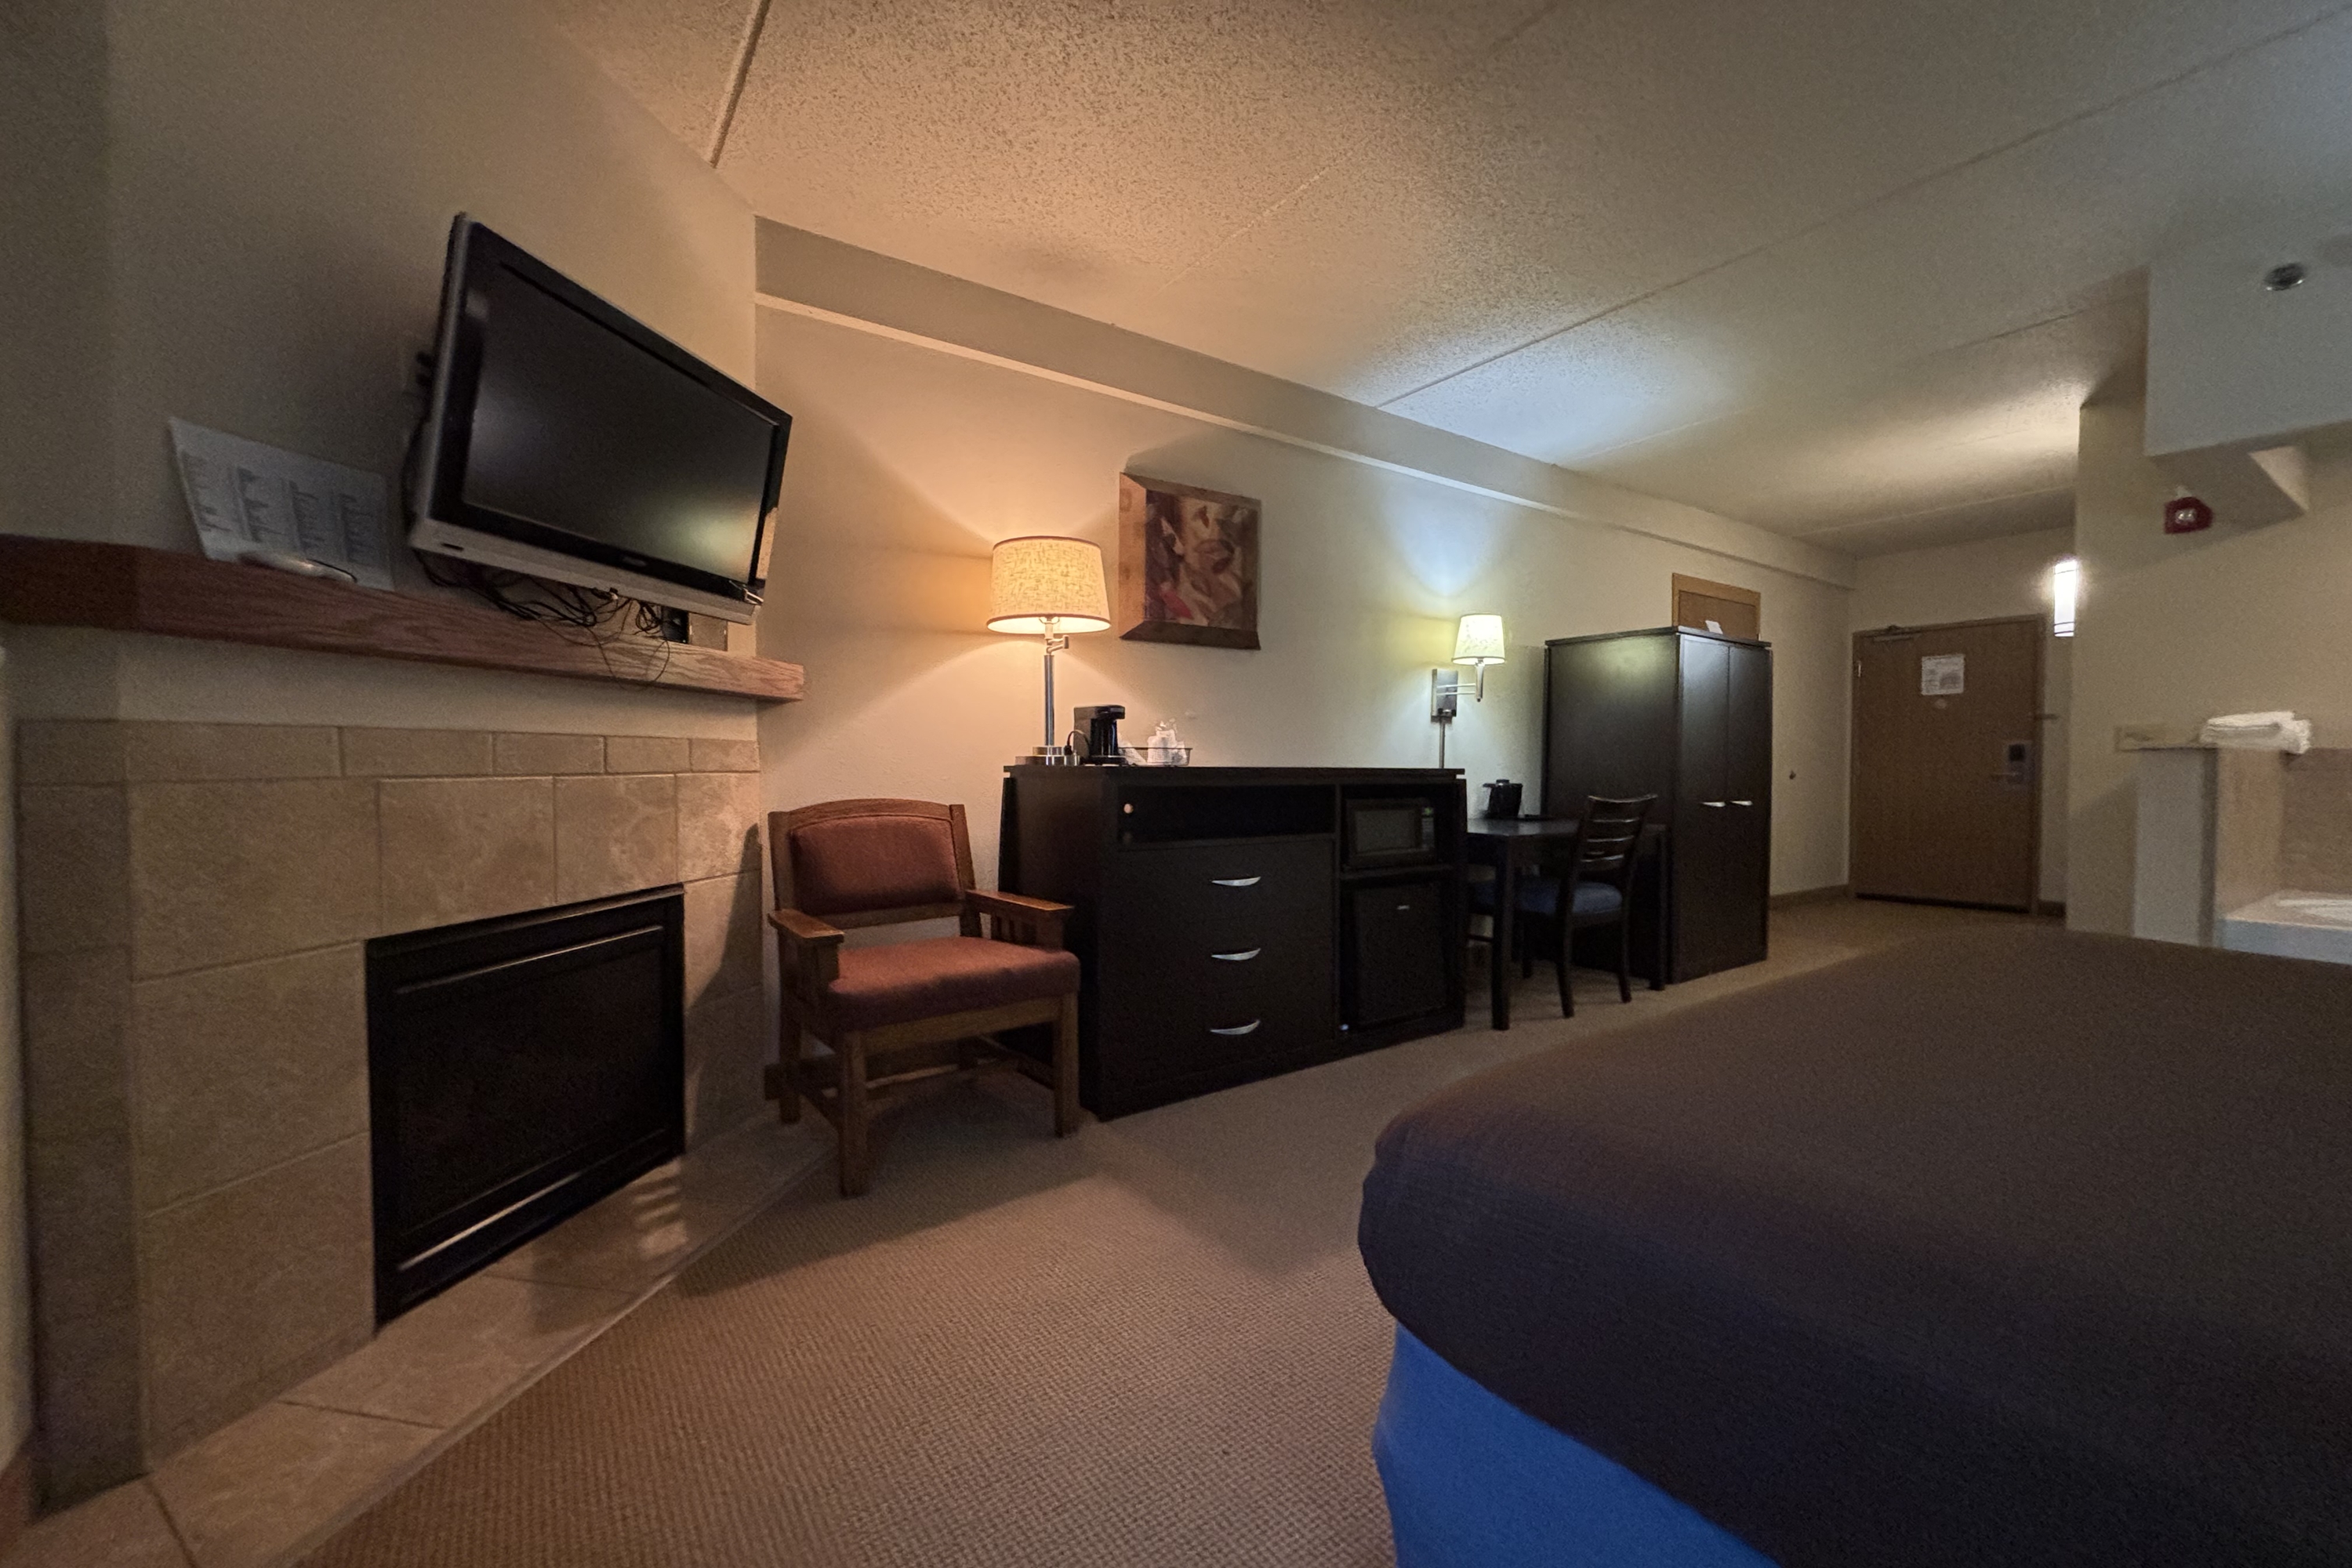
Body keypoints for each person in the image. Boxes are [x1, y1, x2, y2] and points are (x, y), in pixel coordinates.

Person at [1149, 494, 1247, 626]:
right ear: (1171, 533)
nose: (1218, 532)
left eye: (1226, 517)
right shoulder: (1179, 606)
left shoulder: (1239, 589)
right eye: (1201, 517)